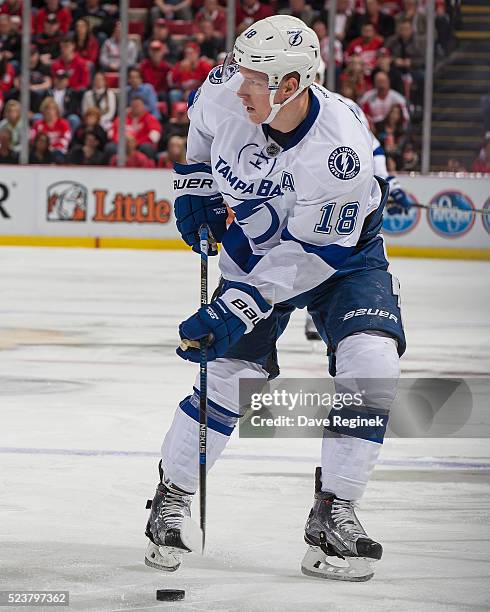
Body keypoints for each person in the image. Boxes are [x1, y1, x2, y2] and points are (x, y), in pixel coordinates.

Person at [144, 15, 405, 583]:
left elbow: (309, 257)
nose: (239, 86)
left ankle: (334, 511)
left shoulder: (340, 151)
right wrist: (195, 187)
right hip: (255, 248)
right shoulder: (228, 92)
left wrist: (234, 306)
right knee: (233, 376)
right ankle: (170, 499)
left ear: (292, 85)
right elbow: (202, 129)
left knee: (372, 366)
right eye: (241, 70)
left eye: (256, 78)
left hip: (339, 256)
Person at [30, 96, 71, 163]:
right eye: (47, 109)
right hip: (42, 151)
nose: (49, 111)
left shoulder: (63, 124)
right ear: (43, 110)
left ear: (56, 110)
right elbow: (33, 139)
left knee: (57, 154)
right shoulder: (38, 124)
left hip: (58, 151)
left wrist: (52, 147)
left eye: (52, 109)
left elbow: (65, 140)